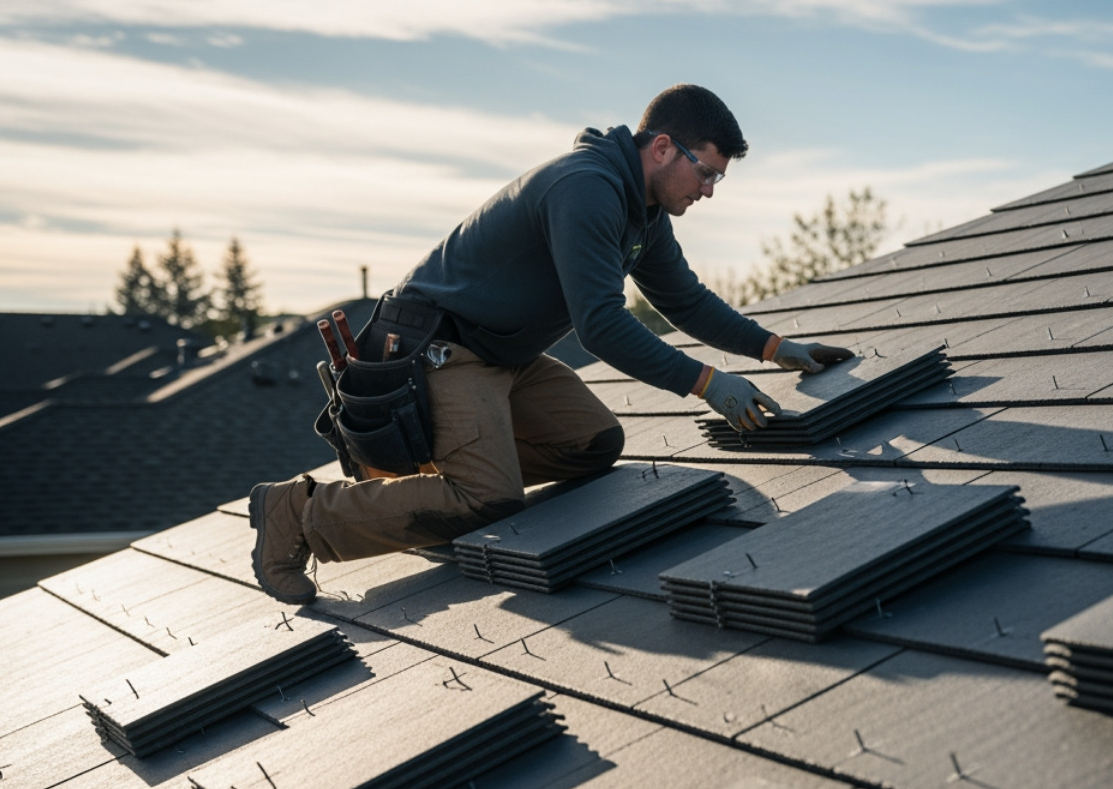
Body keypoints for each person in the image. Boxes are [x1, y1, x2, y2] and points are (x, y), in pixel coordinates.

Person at [249, 84, 852, 603]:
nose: (711, 190)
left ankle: (429, 481)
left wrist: (776, 348)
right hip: (432, 352)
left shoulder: (641, 213)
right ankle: (296, 514)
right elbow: (601, 325)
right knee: (487, 497)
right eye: (708, 172)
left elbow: (685, 301)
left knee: (592, 443)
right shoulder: (585, 188)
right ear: (664, 147)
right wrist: (707, 384)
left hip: (497, 357)